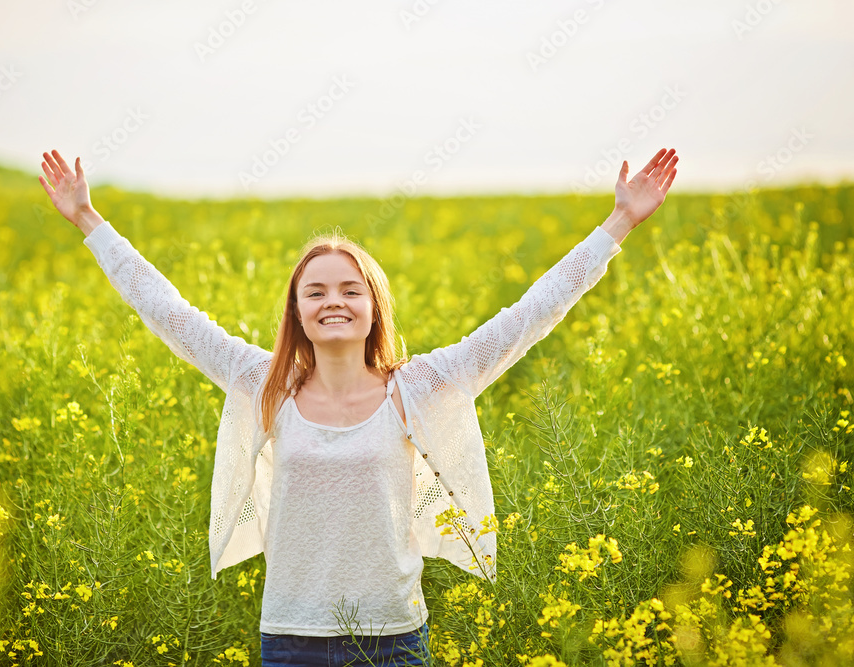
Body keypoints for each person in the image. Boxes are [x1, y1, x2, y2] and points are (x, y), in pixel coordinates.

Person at [39, 147, 678, 666]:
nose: (333, 300)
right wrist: (88, 221)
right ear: (297, 312)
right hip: (288, 637)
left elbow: (529, 317)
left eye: (351, 288)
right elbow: (168, 311)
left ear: (375, 308)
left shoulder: (419, 387)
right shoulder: (265, 384)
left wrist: (619, 222)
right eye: (314, 291)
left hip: (394, 639)